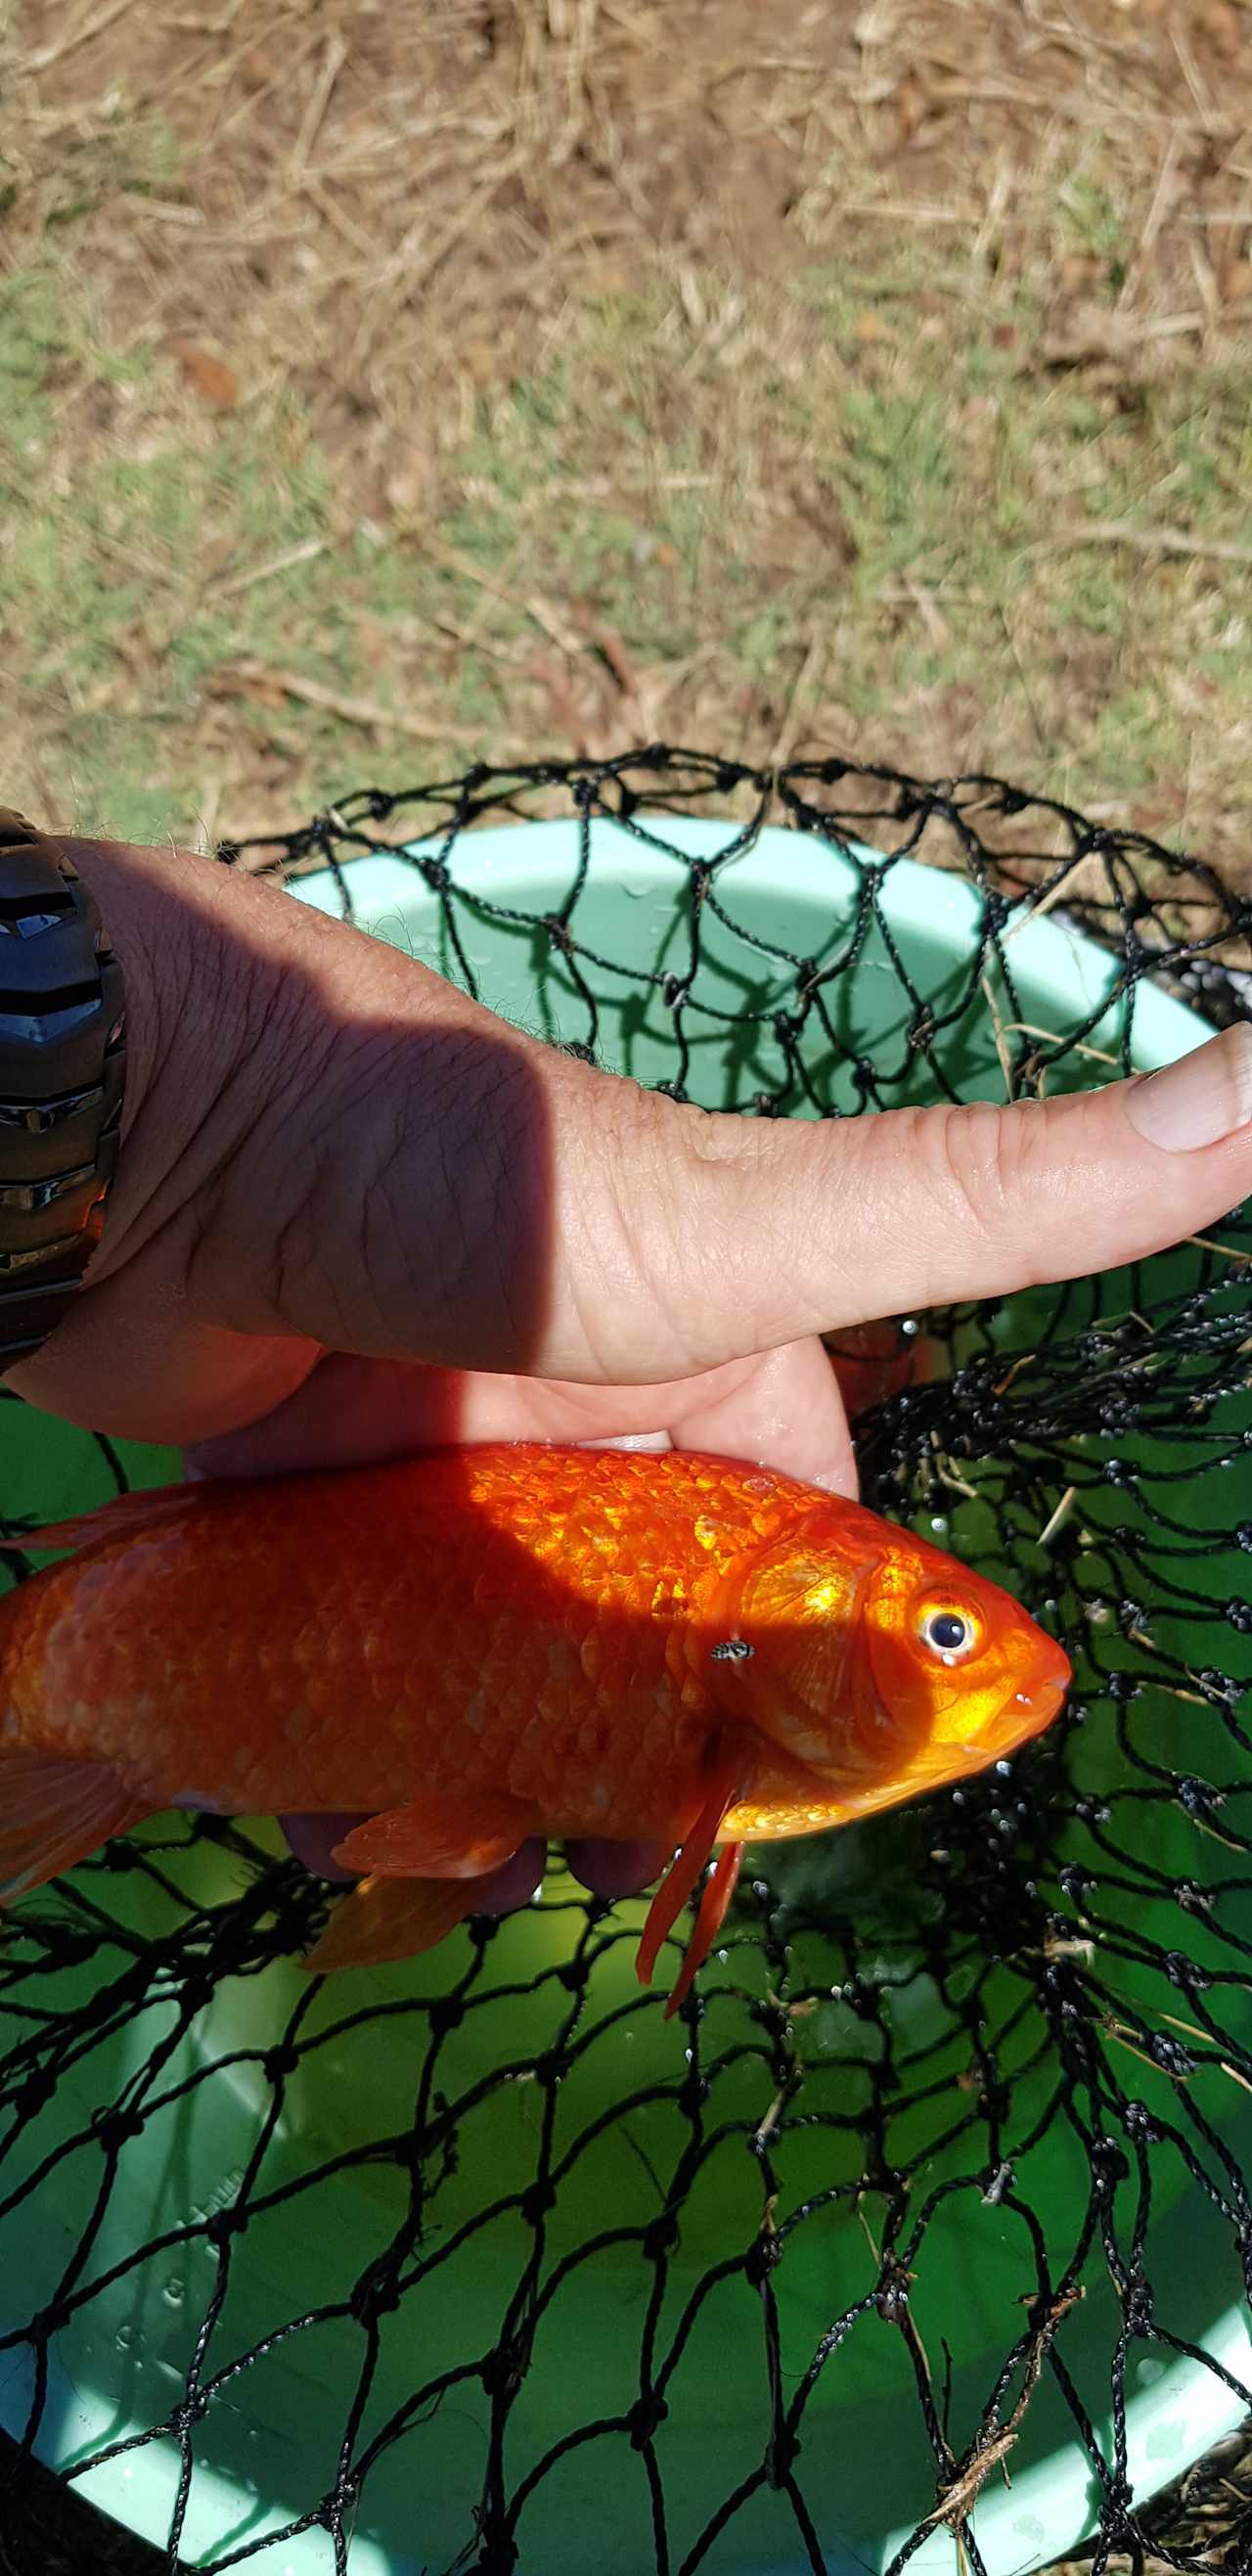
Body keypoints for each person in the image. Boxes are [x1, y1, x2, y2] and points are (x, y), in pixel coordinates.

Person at [7, 826, 1252, 1912]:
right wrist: (190, 1110)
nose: (986, 1663)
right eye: (938, 1629)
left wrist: (186, 1112)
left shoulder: (733, 1663)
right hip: (126, 1624)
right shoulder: (730, 1679)